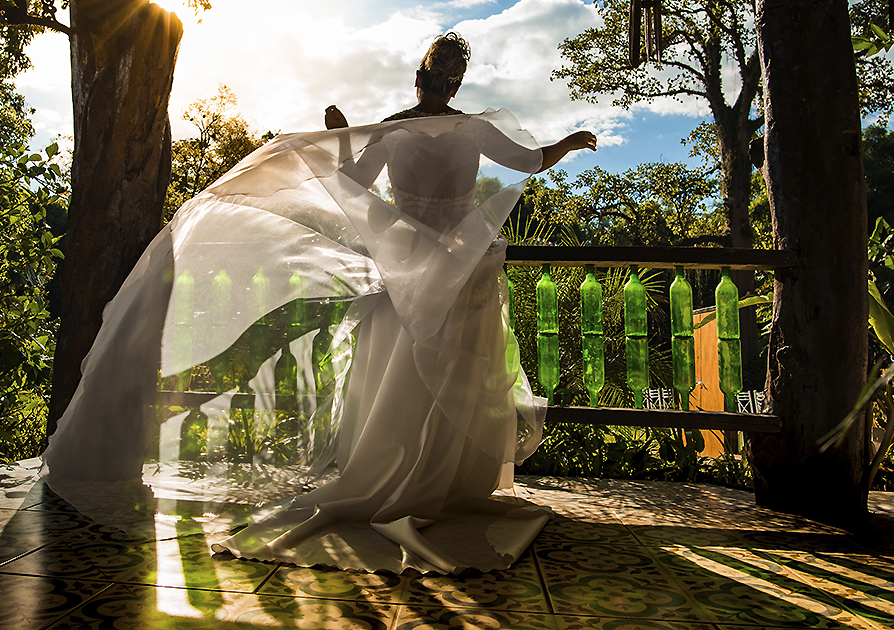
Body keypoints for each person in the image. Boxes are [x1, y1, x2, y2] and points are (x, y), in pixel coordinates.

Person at [40, 32, 595, 575]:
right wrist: (567, 144)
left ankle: (399, 476)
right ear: (453, 85)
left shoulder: (392, 131)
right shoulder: (467, 129)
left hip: (407, 267)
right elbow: (529, 161)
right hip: (455, 266)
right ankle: (445, 485)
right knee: (447, 368)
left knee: (406, 371)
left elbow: (350, 183)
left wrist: (343, 135)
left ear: (422, 77)